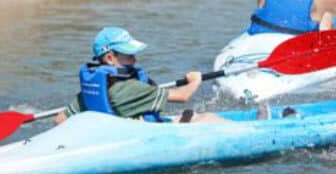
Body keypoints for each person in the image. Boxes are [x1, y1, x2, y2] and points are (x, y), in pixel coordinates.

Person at [55, 26, 226, 125]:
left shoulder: (94, 89)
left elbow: (60, 119)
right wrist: (194, 80)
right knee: (208, 118)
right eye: (129, 55)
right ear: (109, 58)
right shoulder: (131, 88)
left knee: (189, 114)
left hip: (122, 134)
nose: (135, 59)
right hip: (147, 139)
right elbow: (183, 95)